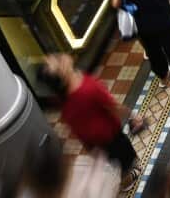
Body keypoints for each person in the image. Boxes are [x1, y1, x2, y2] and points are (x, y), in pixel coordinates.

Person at [37, 54, 144, 189]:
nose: (59, 56)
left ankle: (123, 170)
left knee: (112, 158)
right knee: (125, 157)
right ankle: (127, 180)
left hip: (92, 141)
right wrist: (133, 115)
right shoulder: (88, 87)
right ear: (63, 76)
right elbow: (114, 106)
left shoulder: (60, 97)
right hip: (110, 134)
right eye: (58, 61)